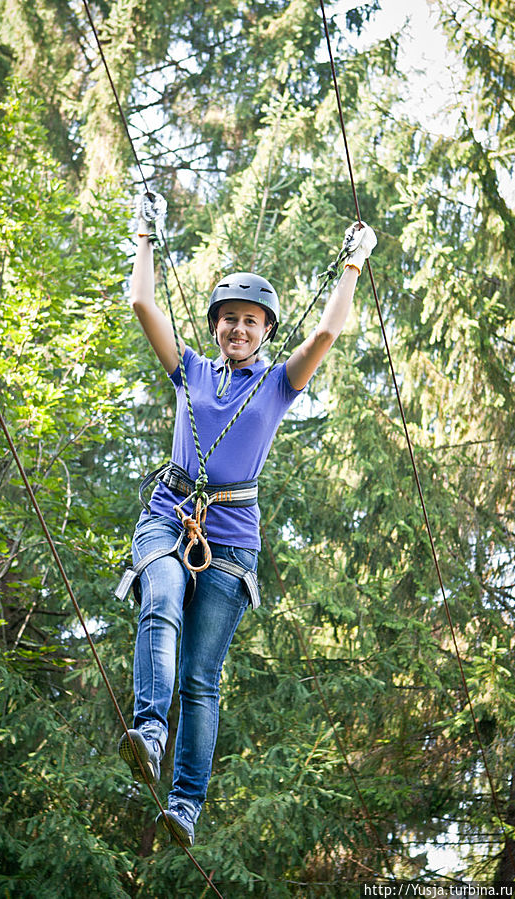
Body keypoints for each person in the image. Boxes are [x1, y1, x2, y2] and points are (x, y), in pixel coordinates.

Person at [117, 192, 377, 847]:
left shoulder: (278, 385)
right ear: (214, 327)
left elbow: (324, 334)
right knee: (163, 597)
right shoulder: (190, 372)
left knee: (203, 676)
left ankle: (185, 803)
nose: (237, 329)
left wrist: (351, 266)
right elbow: (143, 304)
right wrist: (146, 234)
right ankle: (149, 731)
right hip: (167, 513)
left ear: (265, 331)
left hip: (231, 537)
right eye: (228, 319)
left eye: (250, 321)